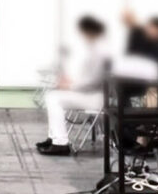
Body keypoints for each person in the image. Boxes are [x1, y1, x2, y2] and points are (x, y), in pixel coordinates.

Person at [36, 16, 110, 156]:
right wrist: (70, 82)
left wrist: (70, 86)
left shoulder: (100, 52)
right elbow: (87, 77)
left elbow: (94, 81)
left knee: (54, 98)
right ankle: (54, 138)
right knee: (52, 95)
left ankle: (60, 143)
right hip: (89, 94)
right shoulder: (96, 50)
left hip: (95, 98)